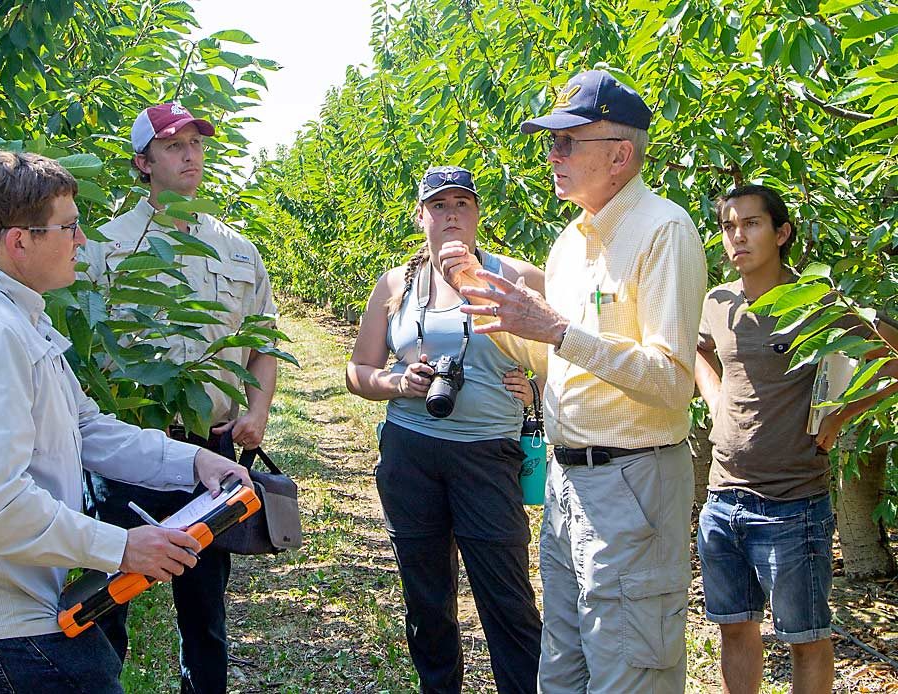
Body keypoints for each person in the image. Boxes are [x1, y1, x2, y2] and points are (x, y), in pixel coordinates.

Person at [0, 150, 251, 694]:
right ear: (20, 241)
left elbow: (85, 427)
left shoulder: (12, 313)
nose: (82, 240)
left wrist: (194, 460)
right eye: (69, 227)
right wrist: (122, 546)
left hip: (15, 607)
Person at [440, 69, 708, 692]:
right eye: (549, 142)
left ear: (621, 154)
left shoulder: (663, 231)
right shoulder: (570, 243)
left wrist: (556, 328)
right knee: (562, 668)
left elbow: (673, 382)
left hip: (632, 483)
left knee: (628, 671)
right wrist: (485, 302)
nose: (552, 156)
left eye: (568, 142)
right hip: (567, 483)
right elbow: (552, 360)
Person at [81, 102, 278, 694]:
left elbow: (263, 340)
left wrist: (257, 408)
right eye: (173, 146)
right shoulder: (104, 247)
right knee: (105, 601)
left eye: (195, 143)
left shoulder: (237, 250)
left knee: (205, 610)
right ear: (143, 162)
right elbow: (83, 350)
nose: (189, 154)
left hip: (209, 456)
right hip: (128, 450)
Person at [346, 165, 544, 693]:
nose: (451, 214)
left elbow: (562, 358)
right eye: (439, 205)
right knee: (427, 601)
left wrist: (536, 390)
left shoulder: (518, 277)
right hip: (411, 453)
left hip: (487, 454)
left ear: (478, 215)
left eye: (462, 204)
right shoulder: (396, 284)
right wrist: (396, 382)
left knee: (507, 598)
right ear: (421, 217)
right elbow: (357, 371)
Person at [694, 184, 898, 694]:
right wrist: (716, 396)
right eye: (728, 226)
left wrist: (842, 415)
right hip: (723, 499)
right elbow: (699, 352)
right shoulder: (717, 302)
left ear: (782, 232)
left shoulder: (815, 304)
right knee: (735, 630)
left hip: (793, 504)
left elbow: (891, 359)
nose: (737, 236)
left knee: (805, 638)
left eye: (752, 224)